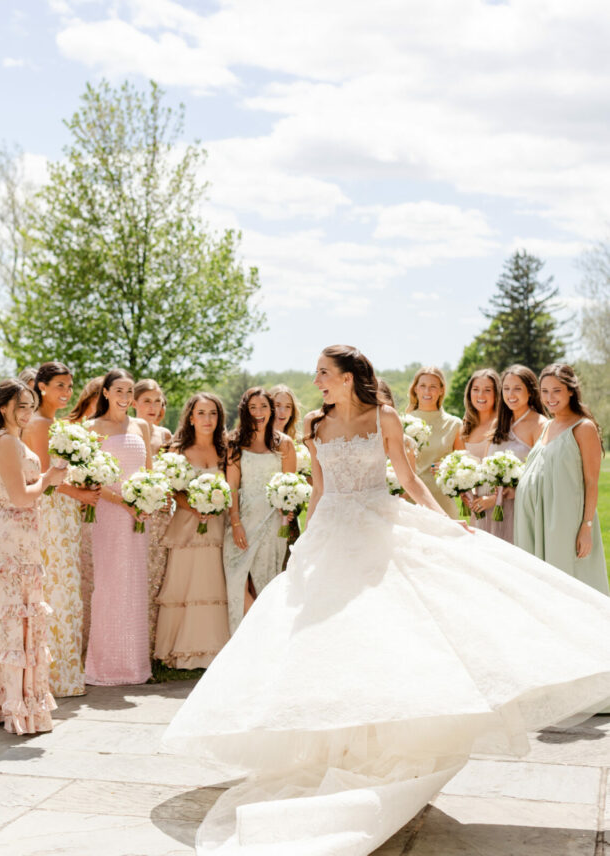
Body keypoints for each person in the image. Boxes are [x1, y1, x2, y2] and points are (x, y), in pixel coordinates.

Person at [162, 345, 610, 856]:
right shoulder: (314, 423)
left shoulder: (387, 417)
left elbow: (409, 475)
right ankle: (339, 738)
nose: (318, 381)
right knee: (325, 641)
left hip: (378, 525)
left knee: (383, 633)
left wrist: (442, 521)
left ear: (350, 378)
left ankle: (384, 738)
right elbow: (320, 489)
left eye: (324, 374)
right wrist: (305, 537)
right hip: (330, 535)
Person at [0, 379, 65, 734]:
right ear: (3, 408)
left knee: (11, 609)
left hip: (15, 531)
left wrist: (42, 479)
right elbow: (22, 496)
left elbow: (18, 489)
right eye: (20, 406)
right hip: (13, 534)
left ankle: (1, 703)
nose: (27, 412)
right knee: (15, 612)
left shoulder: (6, 440)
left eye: (30, 406)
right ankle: (17, 706)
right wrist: (51, 478)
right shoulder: (7, 441)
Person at [23, 362, 100, 697]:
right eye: (59, 386)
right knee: (55, 588)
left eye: (70, 386)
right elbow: (43, 478)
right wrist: (80, 492)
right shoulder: (39, 424)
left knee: (67, 588)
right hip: (50, 515)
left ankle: (65, 671)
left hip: (65, 514)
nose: (67, 393)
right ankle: (52, 676)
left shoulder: (55, 422)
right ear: (40, 386)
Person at [84, 370, 153, 685]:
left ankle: (135, 666)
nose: (125, 397)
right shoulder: (92, 428)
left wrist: (149, 500)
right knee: (109, 586)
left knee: (134, 586)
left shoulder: (141, 426)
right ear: (107, 393)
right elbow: (90, 480)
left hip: (140, 517)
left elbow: (150, 472)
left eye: (129, 391)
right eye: (119, 391)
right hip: (109, 515)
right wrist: (126, 503)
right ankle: (105, 667)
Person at [515, 363, 609, 594]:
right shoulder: (548, 426)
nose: (550, 397)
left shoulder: (583, 427)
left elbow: (591, 482)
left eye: (556, 390)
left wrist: (586, 527)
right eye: (544, 391)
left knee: (567, 578)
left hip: (565, 518)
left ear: (570, 390)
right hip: (537, 516)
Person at [154, 393, 230, 668]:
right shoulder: (177, 451)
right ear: (190, 416)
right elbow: (171, 490)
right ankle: (182, 651)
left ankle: (215, 648)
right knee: (186, 585)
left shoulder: (227, 450)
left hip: (219, 525)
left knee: (214, 584)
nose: (207, 419)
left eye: (212, 413)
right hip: (187, 524)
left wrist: (215, 505)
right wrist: (195, 505)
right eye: (201, 413)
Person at [224, 388, 296, 634]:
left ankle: (264, 636)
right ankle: (255, 632)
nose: (258, 413)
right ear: (245, 411)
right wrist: (235, 521)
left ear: (271, 409)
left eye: (263, 407)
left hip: (271, 520)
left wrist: (287, 511)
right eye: (252, 407)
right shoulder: (235, 443)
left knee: (266, 582)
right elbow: (232, 486)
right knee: (235, 578)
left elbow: (290, 485)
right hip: (242, 517)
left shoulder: (284, 444)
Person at [484, 365, 548, 543]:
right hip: (490, 507)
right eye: (506, 389)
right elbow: (484, 463)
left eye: (517, 389)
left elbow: (544, 473)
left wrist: (512, 491)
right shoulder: (498, 423)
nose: (510, 394)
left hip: (520, 507)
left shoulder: (540, 424)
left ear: (530, 392)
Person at [133, 379, 173, 652]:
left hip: (161, 513)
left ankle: (154, 643)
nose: (152, 406)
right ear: (134, 403)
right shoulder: (127, 431)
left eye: (157, 401)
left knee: (158, 574)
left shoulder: (165, 435)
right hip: (134, 509)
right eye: (146, 400)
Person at [67, 376, 103, 656]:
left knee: (97, 578)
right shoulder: (70, 430)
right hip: (73, 510)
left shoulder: (107, 429)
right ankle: (77, 643)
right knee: (80, 578)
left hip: (101, 509)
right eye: (99, 398)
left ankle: (96, 642)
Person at [406, 366, 462, 515]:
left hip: (442, 501)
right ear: (415, 389)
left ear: (441, 390)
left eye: (433, 387)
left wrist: (448, 467)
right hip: (411, 501)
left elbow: (462, 465)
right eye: (423, 386)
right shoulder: (403, 422)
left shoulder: (454, 424)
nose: (427, 391)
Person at [459, 369, 500, 529]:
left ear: (496, 393)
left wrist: (495, 498)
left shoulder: (504, 424)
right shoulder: (467, 426)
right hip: (478, 505)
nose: (480, 395)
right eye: (475, 390)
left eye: (487, 390)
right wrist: (465, 493)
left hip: (502, 502)